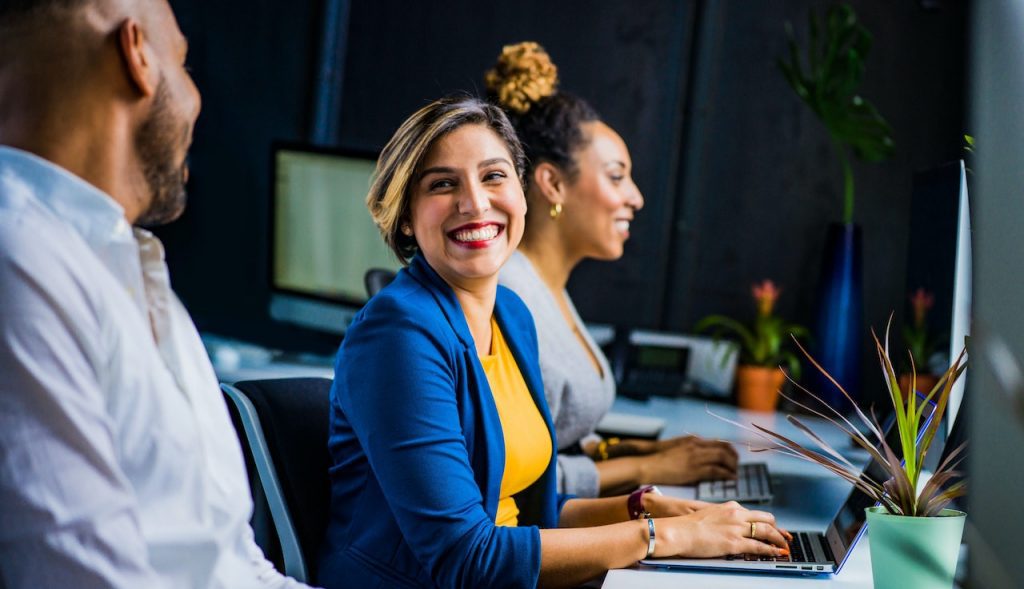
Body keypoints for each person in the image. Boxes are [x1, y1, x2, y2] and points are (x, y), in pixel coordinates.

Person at [318, 95, 790, 589]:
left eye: (494, 176)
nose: (475, 202)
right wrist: (663, 535)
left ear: (523, 195)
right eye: (442, 184)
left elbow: (528, 513)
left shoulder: (511, 315)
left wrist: (639, 507)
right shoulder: (397, 334)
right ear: (407, 217)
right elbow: (467, 557)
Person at [0, 1, 309, 587]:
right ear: (137, 53)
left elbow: (232, 565)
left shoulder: (131, 269)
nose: (196, 101)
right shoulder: (19, 259)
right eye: (185, 63)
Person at [487, 41, 741, 498]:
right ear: (552, 183)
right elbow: (515, 481)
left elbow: (556, 438)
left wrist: (638, 452)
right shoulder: (509, 297)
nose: (636, 197)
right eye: (617, 176)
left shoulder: (547, 288)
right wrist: (650, 468)